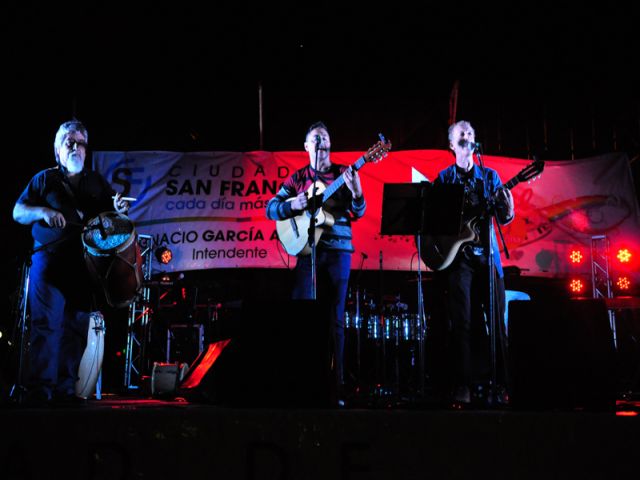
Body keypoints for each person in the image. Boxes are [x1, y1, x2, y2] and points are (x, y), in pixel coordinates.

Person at [13, 120, 129, 406]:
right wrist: (42, 211)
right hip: (49, 261)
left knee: (76, 326)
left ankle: (65, 390)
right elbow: (18, 211)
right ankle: (41, 390)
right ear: (57, 150)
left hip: (82, 266)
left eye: (81, 142)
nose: (76, 147)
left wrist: (118, 210)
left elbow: (109, 223)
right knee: (46, 325)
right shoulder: (44, 179)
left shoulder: (97, 183)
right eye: (69, 142)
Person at [266, 121, 367, 401]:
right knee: (302, 317)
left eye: (324, 137)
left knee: (335, 319)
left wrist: (356, 191)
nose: (320, 141)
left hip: (338, 251)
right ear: (307, 146)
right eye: (315, 138)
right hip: (306, 252)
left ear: (330, 144)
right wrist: (292, 205)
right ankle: (302, 382)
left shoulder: (343, 174)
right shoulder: (298, 178)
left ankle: (336, 387)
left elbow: (359, 211)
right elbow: (270, 209)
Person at [432, 120, 514, 406]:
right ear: (452, 145)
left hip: (488, 257)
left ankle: (504, 385)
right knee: (462, 324)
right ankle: (463, 385)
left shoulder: (489, 177)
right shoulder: (444, 178)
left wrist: (510, 207)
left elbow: (504, 218)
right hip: (459, 260)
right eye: (461, 135)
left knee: (497, 325)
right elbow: (435, 220)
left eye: (470, 134)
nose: (467, 137)